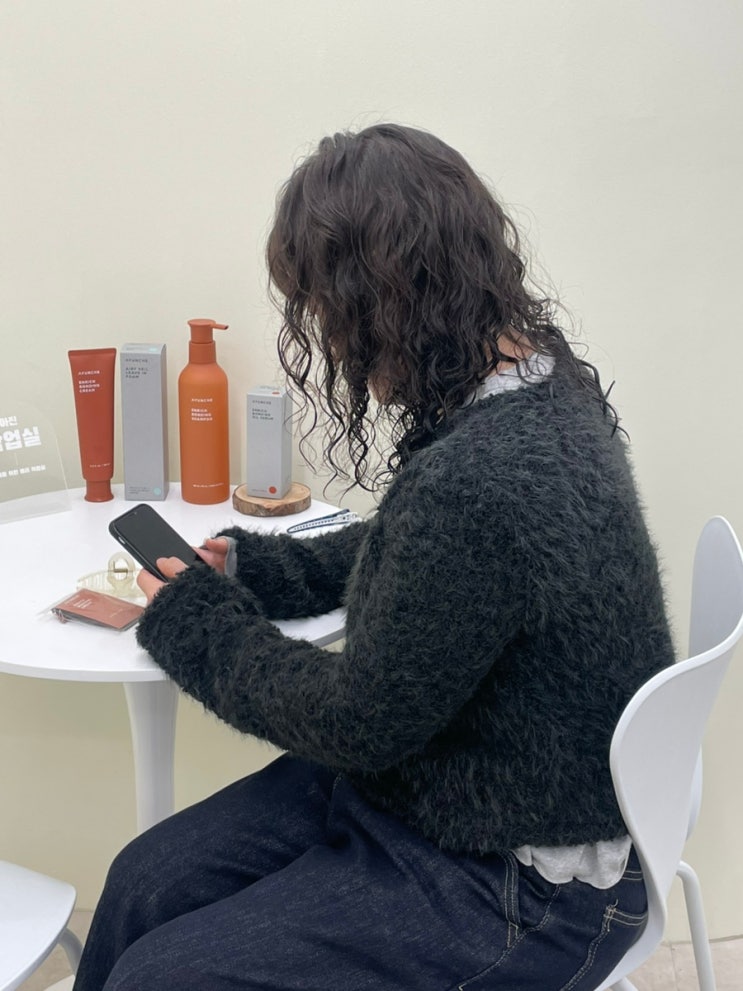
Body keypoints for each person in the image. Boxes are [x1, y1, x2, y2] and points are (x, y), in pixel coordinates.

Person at [73, 123, 675, 991]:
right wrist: (264, 570)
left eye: (328, 311)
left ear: (383, 303)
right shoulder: (538, 385)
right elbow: (434, 562)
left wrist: (197, 618)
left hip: (524, 882)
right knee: (145, 880)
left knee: (160, 977)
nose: (328, 340)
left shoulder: (479, 476)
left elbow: (355, 721)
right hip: (447, 788)